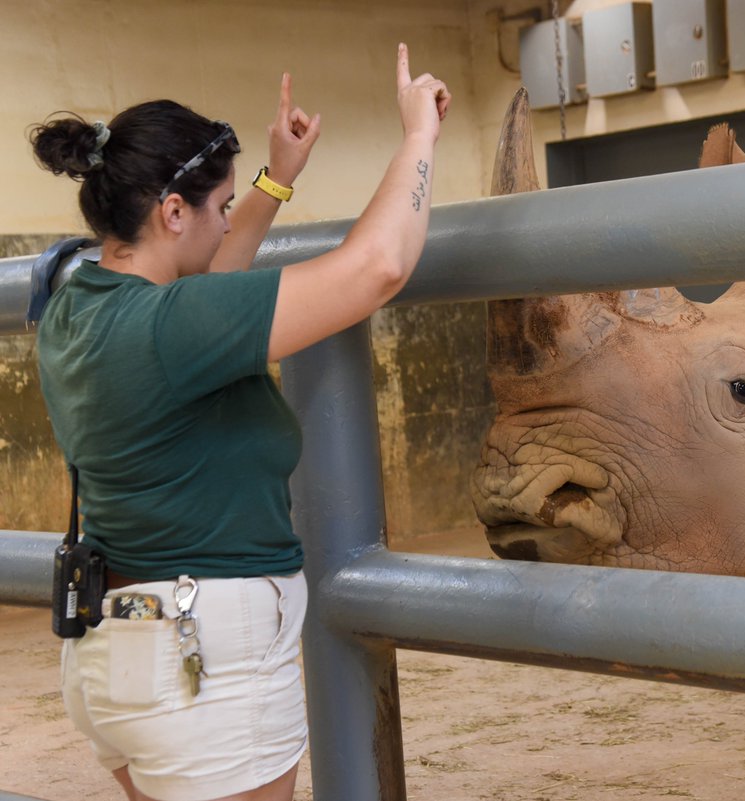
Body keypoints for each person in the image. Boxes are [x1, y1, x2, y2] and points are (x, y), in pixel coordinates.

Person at [29, 44, 450, 801]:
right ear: (171, 211)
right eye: (219, 207)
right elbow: (377, 266)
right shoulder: (170, 328)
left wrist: (274, 178)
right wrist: (418, 137)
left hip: (117, 659)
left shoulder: (74, 305)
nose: (230, 224)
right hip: (201, 670)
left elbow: (211, 278)